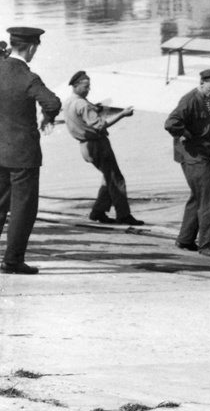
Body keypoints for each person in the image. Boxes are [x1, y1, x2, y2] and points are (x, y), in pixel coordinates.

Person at [0, 27, 62, 275]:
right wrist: (47, 119)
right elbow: (53, 102)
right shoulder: (28, 78)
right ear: (32, 47)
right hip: (23, 154)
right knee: (23, 208)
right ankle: (13, 260)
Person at [62, 71, 144, 226]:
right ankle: (124, 215)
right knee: (116, 179)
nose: (88, 89)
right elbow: (100, 125)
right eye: (86, 86)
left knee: (108, 177)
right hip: (97, 145)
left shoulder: (69, 102)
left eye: (89, 86)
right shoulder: (82, 104)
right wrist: (122, 114)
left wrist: (95, 109)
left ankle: (98, 212)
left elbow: (82, 117)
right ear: (76, 85)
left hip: (85, 146)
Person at [164, 68, 210, 257]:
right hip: (193, 157)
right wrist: (185, 134)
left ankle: (185, 239)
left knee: (197, 198)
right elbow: (170, 123)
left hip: (204, 154)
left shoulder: (208, 98)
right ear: (202, 83)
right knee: (208, 200)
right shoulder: (189, 100)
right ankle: (205, 245)